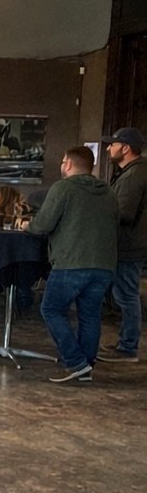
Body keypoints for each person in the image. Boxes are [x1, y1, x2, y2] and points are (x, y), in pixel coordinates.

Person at [29, 146, 118, 384]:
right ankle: (85, 367)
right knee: (90, 315)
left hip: (71, 261)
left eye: (61, 161)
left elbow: (43, 224)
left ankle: (76, 362)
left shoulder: (63, 188)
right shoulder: (109, 192)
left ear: (68, 163)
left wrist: (26, 225)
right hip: (104, 264)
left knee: (51, 309)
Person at [98, 127, 147, 363]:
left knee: (127, 295)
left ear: (125, 148)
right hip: (129, 244)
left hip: (128, 245)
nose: (108, 148)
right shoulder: (134, 172)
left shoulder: (134, 175)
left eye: (113, 144)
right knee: (125, 294)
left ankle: (128, 347)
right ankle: (126, 343)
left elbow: (124, 212)